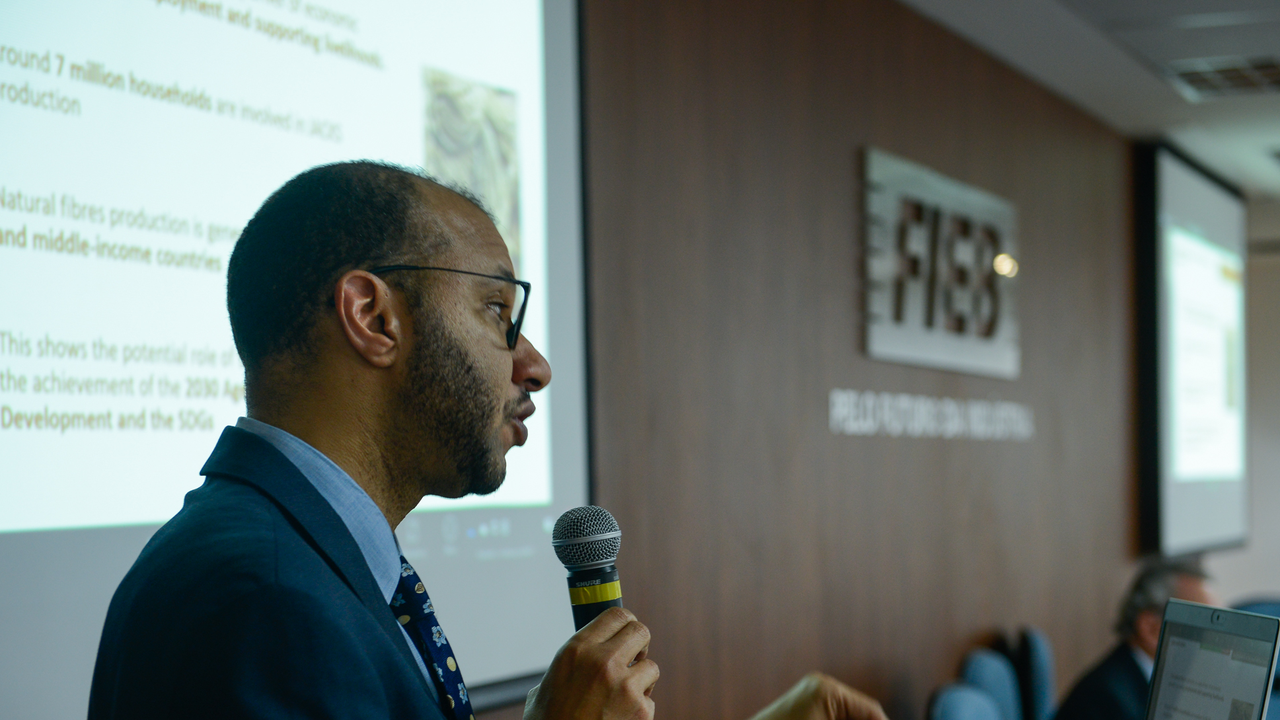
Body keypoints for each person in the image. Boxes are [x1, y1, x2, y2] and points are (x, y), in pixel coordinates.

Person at [88, 161, 888, 720]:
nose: (534, 365)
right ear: (372, 318)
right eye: (498, 316)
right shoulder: (265, 604)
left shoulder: (294, 561)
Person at [1054, 556, 1216, 720]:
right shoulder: (1108, 700)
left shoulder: (1156, 682)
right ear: (1151, 628)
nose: (1215, 639)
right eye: (1205, 625)